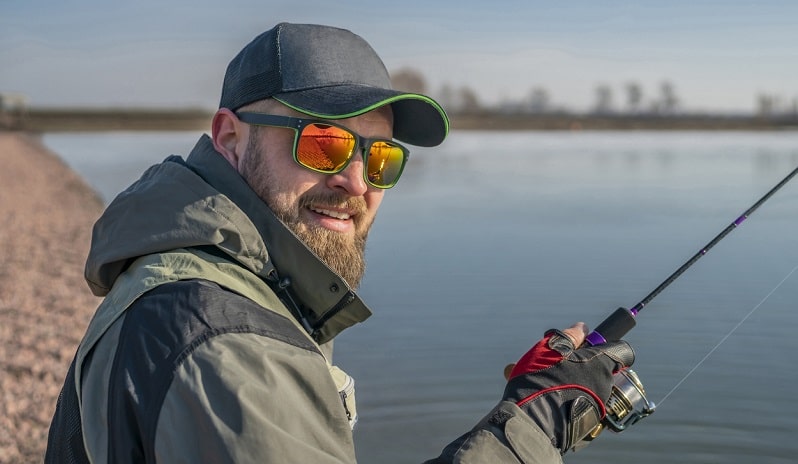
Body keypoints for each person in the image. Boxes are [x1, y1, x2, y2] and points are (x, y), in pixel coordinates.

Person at [44, 22, 634, 463]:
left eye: (379, 157)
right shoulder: (226, 345)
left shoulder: (194, 278)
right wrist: (532, 431)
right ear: (229, 137)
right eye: (322, 143)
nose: (355, 182)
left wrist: (530, 406)